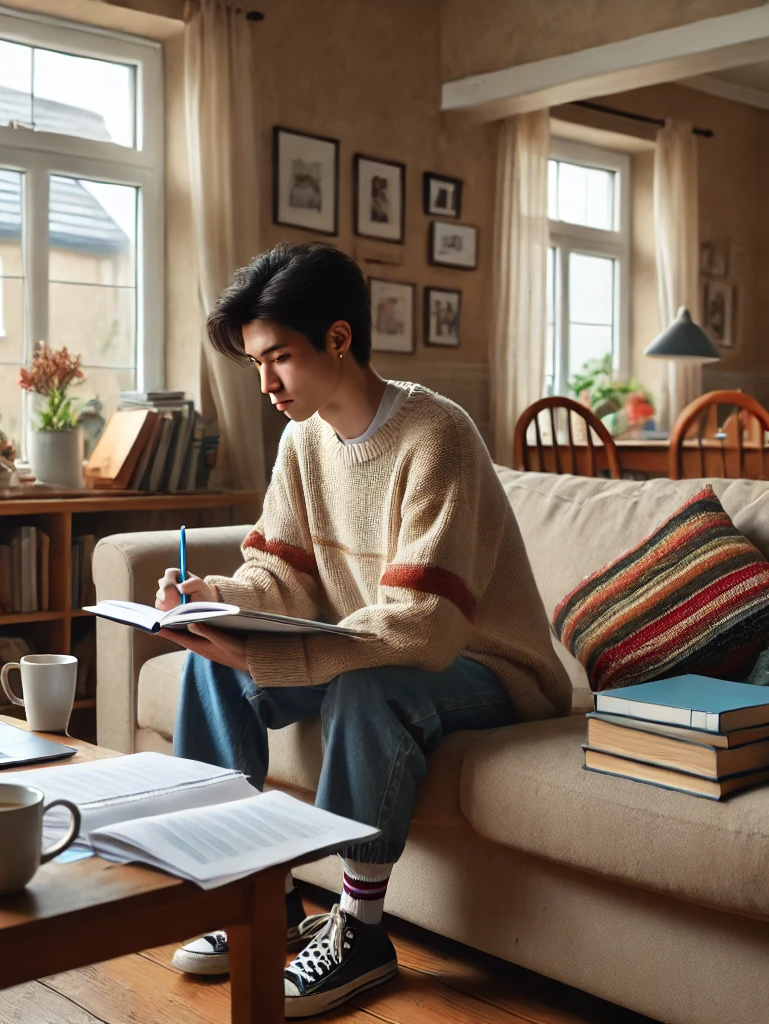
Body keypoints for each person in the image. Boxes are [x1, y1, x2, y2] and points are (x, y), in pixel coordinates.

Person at [154, 241, 572, 1018]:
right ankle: (259, 893)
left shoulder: (436, 435)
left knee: (366, 682)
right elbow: (283, 576)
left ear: (339, 340)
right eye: (254, 364)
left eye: (278, 358)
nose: (266, 383)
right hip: (382, 642)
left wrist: (277, 654)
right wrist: (214, 597)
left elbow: (425, 631)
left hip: (488, 667)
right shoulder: (303, 441)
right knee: (210, 664)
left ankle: (362, 928)